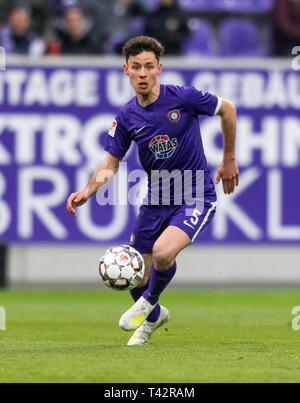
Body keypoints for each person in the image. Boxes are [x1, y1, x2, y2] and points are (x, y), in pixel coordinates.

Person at [66, 36, 239, 346]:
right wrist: (88, 191)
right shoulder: (127, 116)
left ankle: (146, 305)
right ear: (126, 71)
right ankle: (154, 316)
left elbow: (228, 110)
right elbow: (111, 162)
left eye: (148, 67)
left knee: (162, 253)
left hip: (195, 195)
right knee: (135, 274)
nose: (143, 73)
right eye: (136, 67)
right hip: (155, 200)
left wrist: (228, 159)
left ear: (159, 68)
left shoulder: (183, 98)